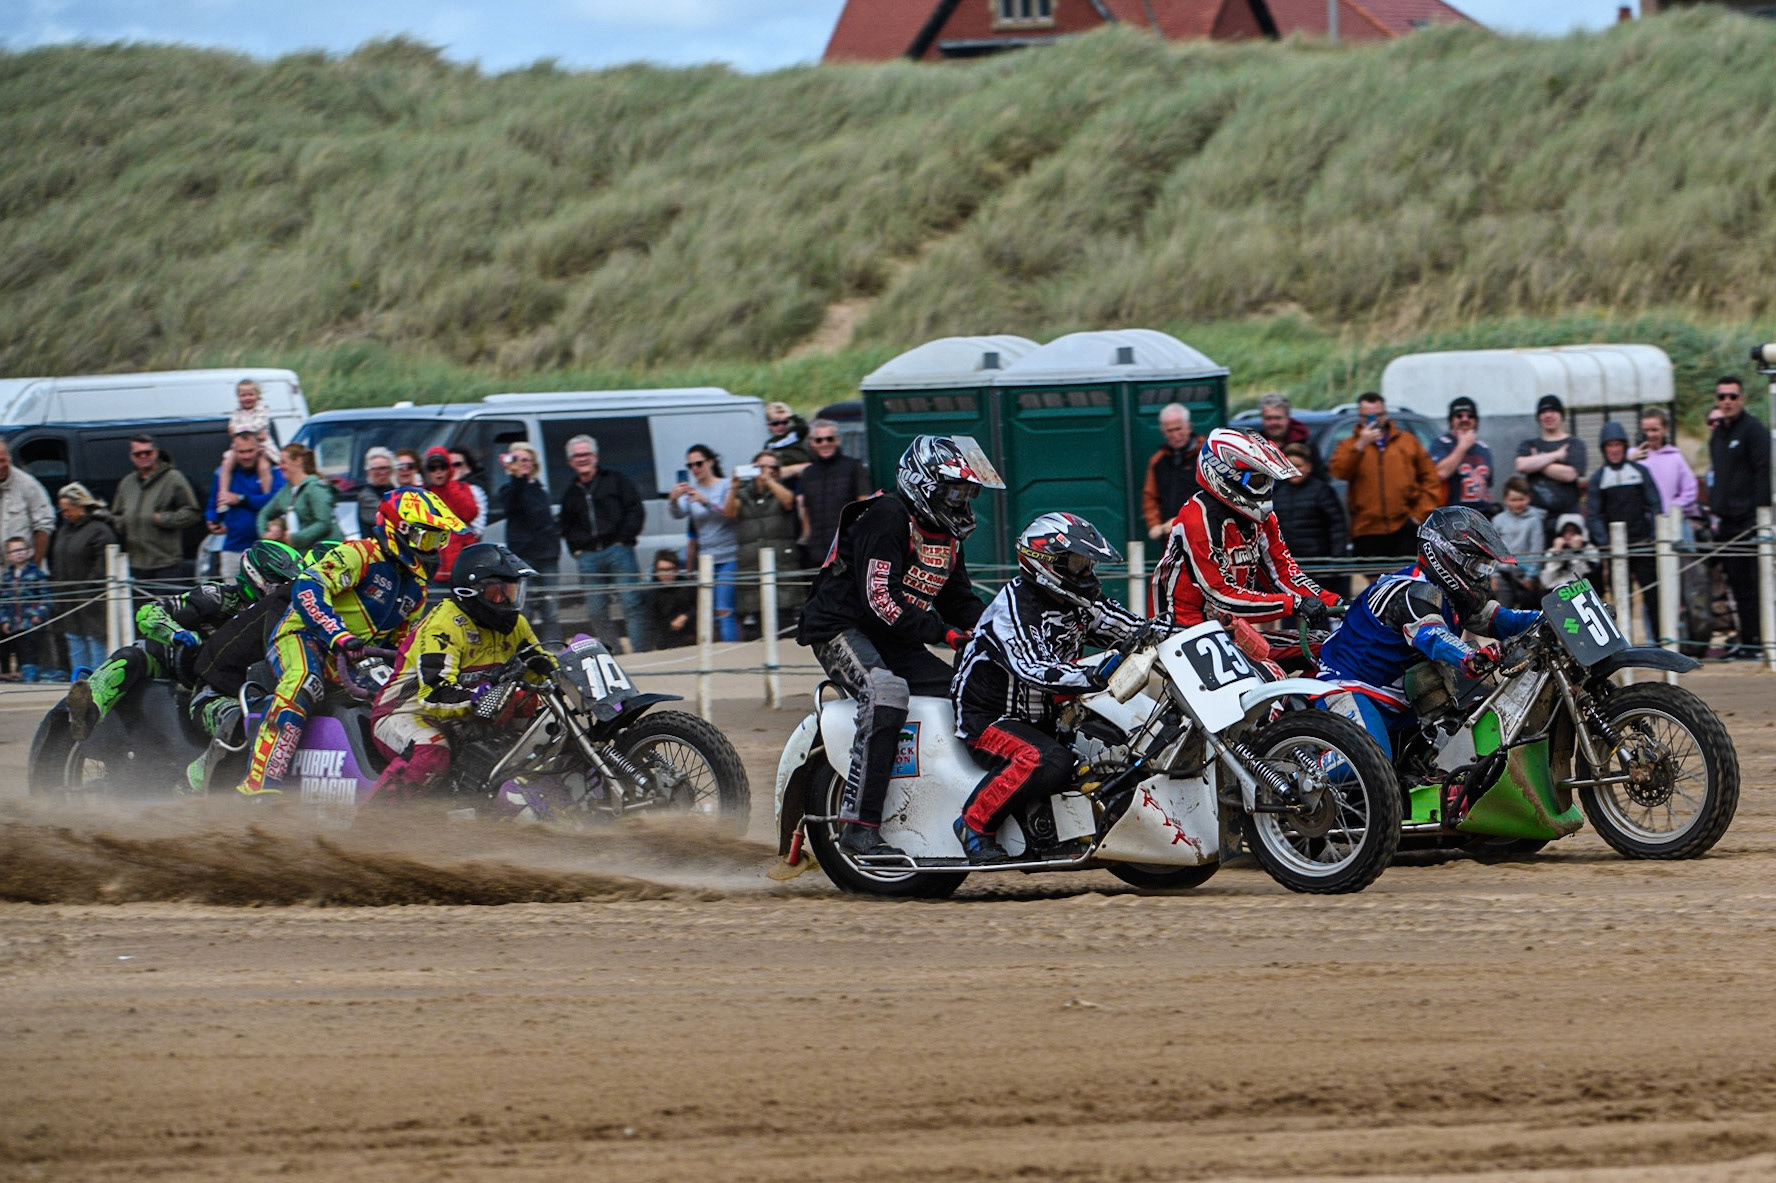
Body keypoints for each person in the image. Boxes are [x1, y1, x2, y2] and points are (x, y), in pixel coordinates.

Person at [796, 435, 998, 856]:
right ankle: (859, 828)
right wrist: (944, 634)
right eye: (954, 491)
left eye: (967, 493)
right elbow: (879, 601)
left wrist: (996, 629)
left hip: (895, 635)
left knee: (968, 690)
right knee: (886, 693)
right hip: (842, 628)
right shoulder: (887, 515)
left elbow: (958, 598)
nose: (961, 501)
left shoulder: (947, 534)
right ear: (923, 483)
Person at [1315, 507, 1543, 825]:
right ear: (1445, 557)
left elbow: (1500, 621)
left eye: (1483, 566)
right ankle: (1295, 784)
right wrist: (1470, 657)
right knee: (1372, 756)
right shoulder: (1413, 591)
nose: (1481, 575)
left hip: (1401, 700)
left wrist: (1548, 617)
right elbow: (1431, 635)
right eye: (1475, 565)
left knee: (1469, 720)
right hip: (1351, 686)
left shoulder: (1451, 594)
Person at [236, 488, 464, 797]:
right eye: (427, 539)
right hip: (303, 636)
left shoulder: (417, 589)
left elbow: (402, 645)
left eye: (439, 540)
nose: (433, 549)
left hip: (356, 658)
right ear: (401, 530)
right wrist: (337, 633)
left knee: (405, 699)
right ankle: (258, 785)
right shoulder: (360, 553)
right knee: (304, 681)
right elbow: (308, 585)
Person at [951, 512, 1148, 861]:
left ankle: (1068, 829)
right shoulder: (1012, 609)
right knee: (1046, 759)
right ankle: (974, 824)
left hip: (1045, 715)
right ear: (1046, 564)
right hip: (989, 717)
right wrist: (1092, 675)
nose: (1085, 572)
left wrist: (1168, 632)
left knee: (1119, 739)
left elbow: (1130, 627)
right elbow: (1034, 668)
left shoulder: (1081, 601)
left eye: (1087, 563)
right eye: (1076, 563)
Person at [65, 539, 304, 744]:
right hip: (172, 662)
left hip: (225, 681)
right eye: (278, 585)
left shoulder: (290, 614)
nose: (282, 593)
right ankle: (87, 710)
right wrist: (174, 632)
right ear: (257, 577)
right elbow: (148, 611)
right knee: (130, 657)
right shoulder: (217, 597)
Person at [369, 543, 556, 797]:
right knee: (433, 750)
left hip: (465, 715)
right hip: (406, 712)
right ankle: (378, 818)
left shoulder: (517, 625)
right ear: (470, 592)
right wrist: (476, 697)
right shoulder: (443, 626)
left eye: (512, 592)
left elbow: (541, 666)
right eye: (496, 593)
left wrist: (566, 672)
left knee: (540, 718)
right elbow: (434, 694)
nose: (507, 601)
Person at [1151, 429, 1341, 633]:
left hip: (1229, 628)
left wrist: (1337, 603)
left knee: (1321, 645)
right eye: (1259, 481)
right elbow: (1220, 595)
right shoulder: (1197, 518)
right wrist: (1293, 604)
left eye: (1270, 480)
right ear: (1226, 476)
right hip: (1181, 627)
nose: (1267, 488)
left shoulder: (1262, 517)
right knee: (1258, 664)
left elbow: (1284, 574)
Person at [183, 540, 333, 794]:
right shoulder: (278, 604)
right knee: (248, 717)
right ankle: (193, 785)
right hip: (216, 697)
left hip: (252, 690)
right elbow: (273, 661)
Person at [1328, 392, 1444, 560]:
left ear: (1386, 415)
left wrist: (1419, 515)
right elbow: (1339, 472)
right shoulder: (1349, 445)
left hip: (1405, 525)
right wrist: (1360, 445)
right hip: (1367, 529)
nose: (1373, 420)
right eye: (1367, 416)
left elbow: (1431, 478)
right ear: (1360, 417)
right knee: (1375, 582)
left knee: (1406, 578)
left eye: (1378, 415)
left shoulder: (1407, 441)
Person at [557, 434, 646, 653]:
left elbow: (635, 509)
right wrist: (576, 550)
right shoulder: (570, 493)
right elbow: (566, 525)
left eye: (586, 454)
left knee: (631, 604)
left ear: (595, 456)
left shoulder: (616, 480)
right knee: (596, 611)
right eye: (577, 456)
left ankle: (642, 653)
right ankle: (614, 653)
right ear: (570, 461)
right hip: (588, 557)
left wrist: (623, 539)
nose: (582, 459)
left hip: (618, 551)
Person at [1708, 375, 1769, 658]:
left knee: (1754, 585)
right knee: (1736, 586)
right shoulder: (1718, 434)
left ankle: (1758, 641)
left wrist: (1759, 517)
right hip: (1726, 523)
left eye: (1732, 396)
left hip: (1749, 522)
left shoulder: (1754, 430)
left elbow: (1763, 474)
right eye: (1722, 397)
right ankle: (1747, 641)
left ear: (1741, 398)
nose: (1727, 401)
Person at [1587, 421, 1663, 641]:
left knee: (1653, 594)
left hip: (1642, 544)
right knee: (1621, 598)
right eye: (1609, 445)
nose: (1614, 449)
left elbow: (1655, 504)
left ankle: (1659, 640)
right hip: (1615, 548)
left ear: (1624, 446)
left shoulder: (1640, 472)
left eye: (1618, 444)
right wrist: (1604, 542)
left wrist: (1655, 535)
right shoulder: (1598, 478)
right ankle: (1624, 644)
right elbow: (1593, 514)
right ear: (1604, 448)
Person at [726, 450, 803, 637]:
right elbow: (729, 512)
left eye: (772, 467)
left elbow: (789, 502)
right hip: (752, 563)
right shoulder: (743, 494)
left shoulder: (781, 489)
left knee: (784, 613)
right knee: (758, 617)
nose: (767, 470)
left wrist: (769, 481)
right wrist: (734, 487)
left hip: (781, 560)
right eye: (762, 467)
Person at [110, 434, 202, 587]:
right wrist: (123, 522)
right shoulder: (127, 483)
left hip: (166, 564)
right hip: (136, 564)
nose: (143, 456)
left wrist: (163, 519)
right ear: (131, 456)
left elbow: (193, 513)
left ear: (156, 452)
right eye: (138, 454)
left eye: (148, 452)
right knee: (142, 610)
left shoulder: (173, 478)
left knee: (167, 610)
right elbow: (116, 515)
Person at [670, 445, 740, 642]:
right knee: (706, 610)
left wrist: (705, 501)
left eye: (699, 463)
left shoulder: (726, 485)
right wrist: (673, 500)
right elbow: (677, 513)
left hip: (729, 555)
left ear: (711, 462)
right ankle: (714, 653)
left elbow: (731, 514)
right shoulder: (691, 491)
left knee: (724, 609)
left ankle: (731, 652)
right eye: (690, 465)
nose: (695, 469)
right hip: (706, 558)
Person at [49, 483, 118, 676]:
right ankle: (80, 689)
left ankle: (98, 692)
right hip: (69, 604)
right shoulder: (63, 531)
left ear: (80, 506)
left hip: (93, 604)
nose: (64, 514)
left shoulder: (100, 531)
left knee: (96, 648)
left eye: (67, 510)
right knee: (75, 645)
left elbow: (102, 566)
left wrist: (88, 589)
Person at [1271, 441, 1350, 600]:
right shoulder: (1278, 494)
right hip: (1290, 565)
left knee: (1319, 608)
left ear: (1309, 467)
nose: (1294, 471)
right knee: (1291, 609)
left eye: (1299, 466)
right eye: (1290, 466)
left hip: (1319, 564)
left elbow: (1337, 527)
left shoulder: (1322, 491)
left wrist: (1335, 560)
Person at [498, 443, 560, 641]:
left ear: (533, 463)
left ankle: (553, 648)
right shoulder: (509, 488)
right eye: (516, 460)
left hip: (547, 556)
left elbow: (545, 520)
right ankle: (525, 650)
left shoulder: (540, 489)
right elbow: (512, 506)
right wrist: (517, 478)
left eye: (525, 459)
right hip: (523, 557)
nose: (522, 464)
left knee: (551, 609)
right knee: (524, 609)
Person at [205, 430, 284, 579]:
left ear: (259, 449)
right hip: (233, 548)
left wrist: (241, 499)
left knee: (267, 598)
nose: (246, 456)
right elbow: (213, 503)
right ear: (234, 452)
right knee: (232, 596)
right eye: (241, 452)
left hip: (266, 547)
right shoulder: (224, 474)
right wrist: (212, 519)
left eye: (250, 451)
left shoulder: (272, 471)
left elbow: (276, 501)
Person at [798, 418, 870, 564]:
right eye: (819, 440)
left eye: (829, 439)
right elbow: (806, 511)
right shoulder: (808, 473)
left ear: (837, 440)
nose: (825, 444)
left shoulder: (854, 466)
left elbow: (864, 503)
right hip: (817, 551)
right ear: (812, 443)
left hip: (847, 548)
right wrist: (808, 539)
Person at [1514, 394, 1587, 540]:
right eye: (1543, 412)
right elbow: (1521, 465)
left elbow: (1570, 474)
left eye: (1553, 411)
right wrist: (1556, 455)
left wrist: (1537, 462)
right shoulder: (1529, 444)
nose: (1548, 416)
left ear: (1561, 415)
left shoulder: (1575, 444)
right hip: (1535, 518)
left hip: (1568, 519)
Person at [256, 443, 336, 553]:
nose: (280, 467)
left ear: (298, 460)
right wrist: (266, 535)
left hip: (326, 553)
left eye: (283, 462)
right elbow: (264, 513)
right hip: (303, 553)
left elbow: (324, 522)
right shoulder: (285, 491)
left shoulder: (315, 488)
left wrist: (295, 538)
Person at [1629, 407, 1700, 529]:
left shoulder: (1676, 457)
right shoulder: (1631, 455)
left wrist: (1672, 507)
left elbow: (1690, 490)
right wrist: (1629, 462)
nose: (1650, 435)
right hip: (1641, 525)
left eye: (1654, 430)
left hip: (1670, 523)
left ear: (1665, 429)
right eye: (1646, 430)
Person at [1141, 402, 1203, 540]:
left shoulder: (1206, 454)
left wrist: (1181, 520)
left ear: (1189, 427)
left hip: (1203, 533)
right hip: (1171, 537)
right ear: (1163, 432)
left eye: (1178, 429)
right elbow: (1150, 496)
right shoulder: (1157, 461)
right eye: (1170, 431)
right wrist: (1154, 524)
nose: (1175, 435)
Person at [213, 378, 274, 509]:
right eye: (243, 395)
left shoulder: (262, 409)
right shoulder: (237, 412)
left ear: (257, 395)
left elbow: (259, 425)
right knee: (226, 464)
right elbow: (231, 427)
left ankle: (267, 501)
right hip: (240, 445)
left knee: (263, 467)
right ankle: (223, 495)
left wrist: (240, 429)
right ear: (238, 397)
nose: (247, 398)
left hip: (262, 446)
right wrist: (244, 430)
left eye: (251, 394)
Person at [421, 446, 480, 579]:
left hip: (461, 567)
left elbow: (469, 514)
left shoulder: (461, 488)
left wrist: (451, 484)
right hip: (434, 568)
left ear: (449, 468)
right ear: (427, 471)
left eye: (443, 467)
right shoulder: (422, 494)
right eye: (433, 468)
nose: (438, 472)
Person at [1429, 396, 1494, 510]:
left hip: (1480, 515)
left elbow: (1487, 485)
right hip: (1452, 515)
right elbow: (1440, 473)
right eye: (1459, 416)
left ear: (1476, 420)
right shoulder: (1441, 443)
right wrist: (1462, 447)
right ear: (1451, 420)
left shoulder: (1483, 447)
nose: (1465, 419)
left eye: (1470, 416)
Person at [1489, 476, 1546, 607]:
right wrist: (1493, 575)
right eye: (1513, 500)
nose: (1517, 503)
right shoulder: (1498, 520)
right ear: (1505, 499)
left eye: (1521, 499)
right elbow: (1493, 549)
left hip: (1525, 573)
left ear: (1529, 497)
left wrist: (1531, 576)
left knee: (1528, 611)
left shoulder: (1534, 520)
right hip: (1503, 573)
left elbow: (1537, 549)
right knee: (1503, 610)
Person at [0, 536, 50, 682]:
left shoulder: (36, 574)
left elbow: (46, 597)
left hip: (30, 625)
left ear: (28, 552)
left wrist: (39, 614)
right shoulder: (7, 577)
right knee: (9, 651)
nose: (19, 553)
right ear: (8, 556)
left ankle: (30, 680)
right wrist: (4, 620)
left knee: (29, 655)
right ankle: (10, 679)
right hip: (12, 625)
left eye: (22, 549)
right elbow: (3, 600)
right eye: (15, 551)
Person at [0, 438, 55, 568]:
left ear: (10, 459)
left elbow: (44, 526)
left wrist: (33, 569)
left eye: (2, 460)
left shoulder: (28, 485)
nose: (0, 466)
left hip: (24, 572)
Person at [646, 550, 696, 649]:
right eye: (662, 570)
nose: (666, 574)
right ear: (656, 571)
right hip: (665, 639)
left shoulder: (687, 585)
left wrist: (685, 616)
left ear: (677, 570)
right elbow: (651, 620)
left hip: (689, 636)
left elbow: (699, 607)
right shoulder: (652, 591)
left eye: (670, 569)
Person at [1540, 513, 1597, 590]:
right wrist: (1557, 555)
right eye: (1566, 531)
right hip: (1557, 591)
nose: (1570, 535)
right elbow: (1546, 582)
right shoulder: (1552, 551)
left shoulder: (1589, 549)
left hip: (1582, 590)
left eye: (1573, 531)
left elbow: (1588, 576)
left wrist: (1577, 552)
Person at [762, 401, 811, 482]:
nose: (780, 426)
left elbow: (804, 426)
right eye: (775, 423)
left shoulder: (795, 433)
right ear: (768, 425)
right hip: (784, 470)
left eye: (784, 422)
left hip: (802, 467)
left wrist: (791, 416)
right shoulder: (770, 444)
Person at [355, 448, 399, 537]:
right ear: (368, 472)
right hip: (376, 548)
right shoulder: (366, 496)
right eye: (377, 470)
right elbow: (388, 518)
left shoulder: (395, 490)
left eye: (385, 468)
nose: (382, 473)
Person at [449, 447, 489, 533]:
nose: (452, 468)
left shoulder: (475, 488)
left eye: (457, 464)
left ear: (468, 467)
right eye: (448, 465)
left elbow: (478, 527)